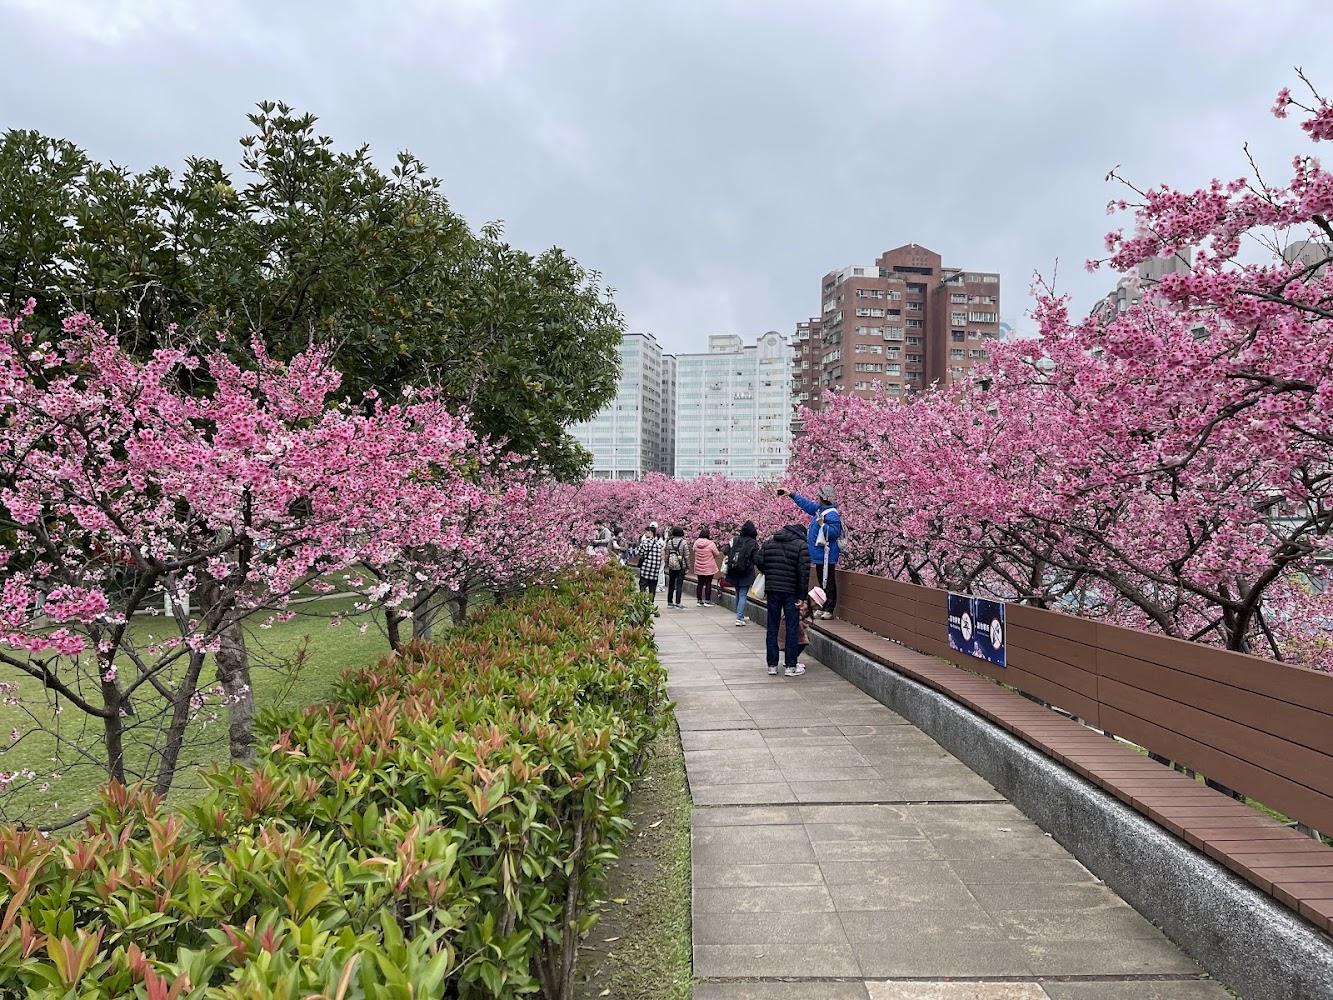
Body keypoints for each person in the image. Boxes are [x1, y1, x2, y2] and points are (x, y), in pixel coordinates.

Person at [753, 522, 811, 677]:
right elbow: (804, 572)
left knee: (772, 627)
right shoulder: (801, 545)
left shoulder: (769, 542)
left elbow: (758, 559)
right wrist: (802, 596)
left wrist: (770, 572)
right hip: (791, 591)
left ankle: (772, 665)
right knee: (792, 628)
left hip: (773, 589)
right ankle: (790, 666)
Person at [778, 485, 843, 619]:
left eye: (819, 496)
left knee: (828, 581)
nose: (816, 498)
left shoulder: (832, 514)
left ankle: (829, 608)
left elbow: (835, 533)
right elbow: (807, 505)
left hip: (827, 555)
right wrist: (792, 494)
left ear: (823, 498)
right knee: (822, 581)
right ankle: (823, 605)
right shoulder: (820, 510)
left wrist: (822, 525)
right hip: (820, 555)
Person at [725, 520, 760, 626]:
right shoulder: (753, 543)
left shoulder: (735, 540)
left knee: (738, 593)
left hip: (733, 570)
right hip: (746, 571)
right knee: (743, 594)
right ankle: (739, 617)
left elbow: (725, 550)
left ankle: (740, 614)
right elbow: (756, 558)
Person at [778, 587, 825, 665]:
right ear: (813, 600)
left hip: (787, 627)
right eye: (816, 605)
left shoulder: (803, 604)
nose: (816, 607)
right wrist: (804, 627)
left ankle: (790, 659)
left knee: (797, 643)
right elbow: (797, 618)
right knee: (801, 642)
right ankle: (791, 660)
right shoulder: (804, 606)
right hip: (789, 627)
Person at [692, 526, 723, 606]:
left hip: (699, 566)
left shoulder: (696, 542)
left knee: (700, 583)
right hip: (709, 567)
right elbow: (717, 554)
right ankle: (707, 600)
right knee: (708, 583)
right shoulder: (711, 544)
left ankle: (699, 600)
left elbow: (694, 550)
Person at [664, 526, 690, 609]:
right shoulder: (683, 543)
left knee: (671, 584)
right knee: (679, 584)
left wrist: (667, 564)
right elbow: (686, 556)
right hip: (681, 565)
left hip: (672, 565)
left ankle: (670, 602)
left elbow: (667, 554)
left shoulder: (669, 542)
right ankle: (678, 602)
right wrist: (687, 566)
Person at [636, 524, 664, 600]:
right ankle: (650, 604)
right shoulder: (659, 544)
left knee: (643, 586)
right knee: (652, 589)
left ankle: (642, 602)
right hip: (655, 571)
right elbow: (661, 556)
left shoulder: (645, 543)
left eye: (647, 532)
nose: (645, 533)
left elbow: (639, 553)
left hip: (645, 569)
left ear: (651, 533)